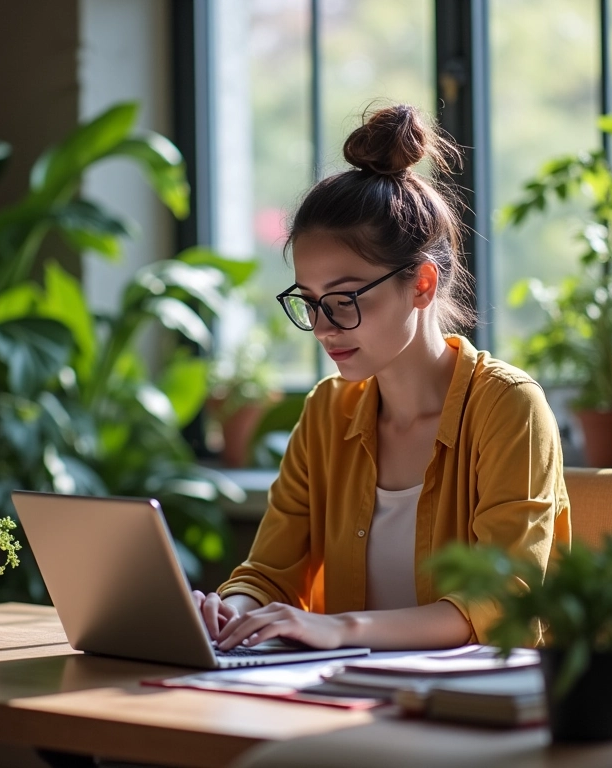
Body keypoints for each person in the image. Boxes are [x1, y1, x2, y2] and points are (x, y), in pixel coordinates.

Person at [194, 103, 571, 653]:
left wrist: (341, 629)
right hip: (349, 690)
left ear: (421, 284)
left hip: (482, 696)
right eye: (310, 302)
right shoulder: (327, 411)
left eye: (344, 299)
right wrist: (231, 611)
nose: (323, 327)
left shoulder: (509, 407)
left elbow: (500, 605)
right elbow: (270, 573)